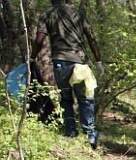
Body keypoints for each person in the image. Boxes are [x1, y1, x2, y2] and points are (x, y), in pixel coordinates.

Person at [31, 0, 103, 149]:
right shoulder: (79, 14)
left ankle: (70, 132)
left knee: (66, 98)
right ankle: (90, 135)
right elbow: (91, 37)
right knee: (85, 99)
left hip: (60, 62)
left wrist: (32, 57)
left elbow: (39, 39)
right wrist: (98, 60)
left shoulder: (47, 14)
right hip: (79, 62)